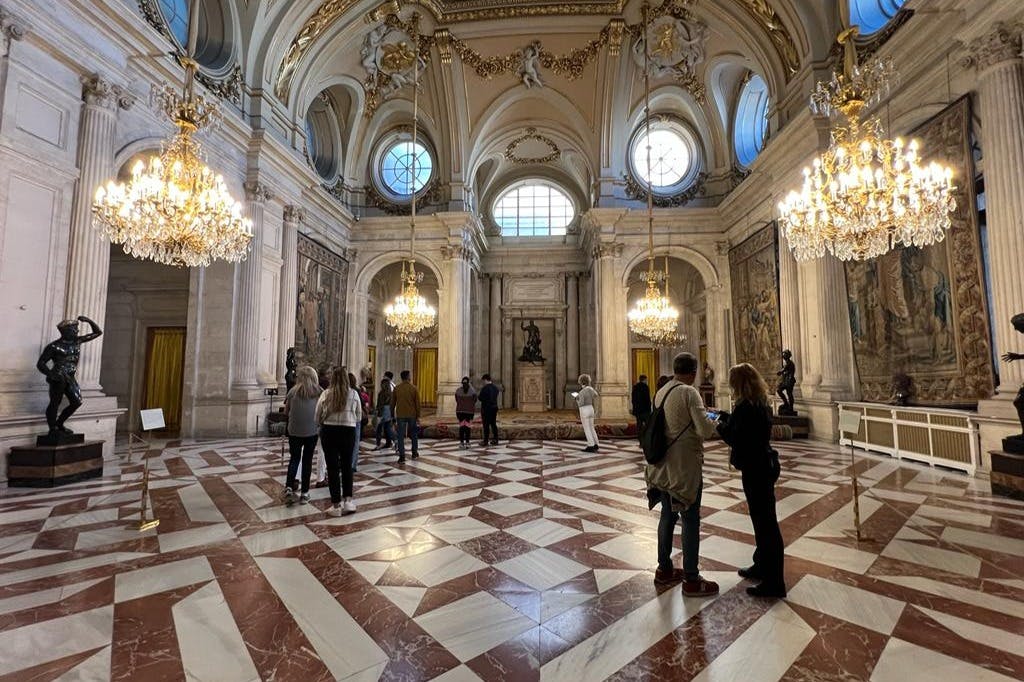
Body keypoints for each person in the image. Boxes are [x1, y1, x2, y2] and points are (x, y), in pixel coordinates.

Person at [645, 352, 719, 597]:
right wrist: (714, 418)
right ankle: (691, 578)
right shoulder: (689, 392)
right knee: (690, 518)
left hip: (661, 466)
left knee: (667, 515)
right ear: (694, 371)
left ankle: (664, 569)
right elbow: (705, 430)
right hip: (683, 467)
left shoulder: (662, 391)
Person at [717, 363, 786, 598]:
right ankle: (761, 565)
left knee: (766, 523)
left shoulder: (746, 408)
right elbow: (746, 428)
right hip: (763, 464)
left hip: (756, 467)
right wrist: (727, 418)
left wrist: (721, 427)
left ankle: (774, 582)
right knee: (762, 519)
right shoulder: (760, 404)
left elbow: (736, 437)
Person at [316, 366, 361, 515]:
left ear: (332, 378)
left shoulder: (326, 394)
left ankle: (336, 505)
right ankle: (348, 501)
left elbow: (317, 415)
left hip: (329, 431)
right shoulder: (353, 394)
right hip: (348, 431)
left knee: (332, 468)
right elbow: (359, 416)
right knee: (347, 466)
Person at [282, 366, 322, 506]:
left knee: (294, 458)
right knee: (307, 461)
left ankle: (288, 487)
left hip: (294, 431)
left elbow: (286, 412)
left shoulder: (292, 391)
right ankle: (305, 493)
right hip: (311, 431)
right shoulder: (318, 392)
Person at [391, 369, 420, 462]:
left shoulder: (397, 388)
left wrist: (392, 416)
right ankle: (414, 453)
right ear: (408, 377)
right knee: (414, 434)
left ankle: (402, 456)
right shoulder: (414, 388)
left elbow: (392, 404)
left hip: (401, 415)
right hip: (412, 414)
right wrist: (418, 416)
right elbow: (417, 404)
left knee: (400, 436)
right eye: (410, 375)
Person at [349, 372, 370, 473]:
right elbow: (361, 405)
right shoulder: (356, 391)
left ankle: (347, 462)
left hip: (347, 419)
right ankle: (352, 464)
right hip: (355, 418)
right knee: (356, 442)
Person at [575, 374, 600, 452]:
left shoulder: (582, 392)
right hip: (591, 408)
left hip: (584, 409)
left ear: (581, 382)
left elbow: (581, 403)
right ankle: (596, 444)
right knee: (592, 427)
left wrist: (577, 398)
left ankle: (590, 445)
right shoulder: (591, 389)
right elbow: (596, 395)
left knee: (587, 428)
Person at [374, 377, 396, 450]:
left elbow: (380, 404)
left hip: (383, 410)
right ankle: (390, 442)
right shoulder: (391, 393)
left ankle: (378, 444)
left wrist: (378, 413)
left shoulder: (382, 393)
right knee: (387, 428)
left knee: (379, 429)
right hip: (389, 410)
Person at [454, 376, 477, 448]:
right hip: (469, 412)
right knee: (467, 427)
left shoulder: (458, 391)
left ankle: (461, 443)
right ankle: (467, 442)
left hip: (460, 411)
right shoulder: (472, 391)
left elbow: (457, 400)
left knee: (461, 427)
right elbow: (474, 401)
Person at [478, 374, 500, 446]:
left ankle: (485, 441)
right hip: (494, 408)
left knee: (486, 425)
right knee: (493, 424)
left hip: (486, 409)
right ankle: (496, 440)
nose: (483, 382)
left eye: (483, 381)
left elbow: (480, 398)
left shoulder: (485, 388)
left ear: (485, 380)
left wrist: (485, 400)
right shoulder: (495, 388)